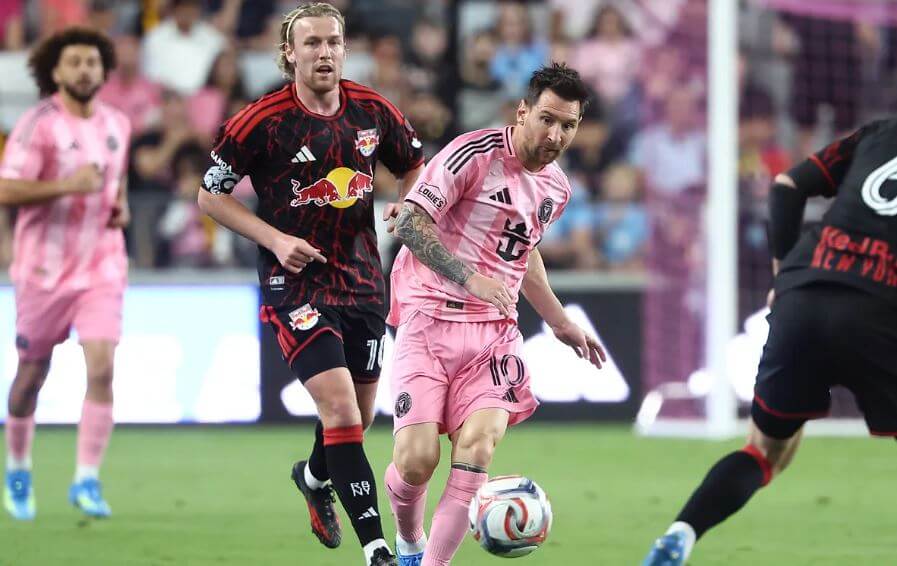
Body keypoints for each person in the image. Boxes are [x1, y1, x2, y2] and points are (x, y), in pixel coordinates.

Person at [197, 4, 424, 566]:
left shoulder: (373, 110)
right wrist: (274, 239)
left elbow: (414, 165)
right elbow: (210, 195)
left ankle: (314, 477)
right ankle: (377, 549)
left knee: (359, 418)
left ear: (345, 49)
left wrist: (408, 204)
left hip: (363, 282)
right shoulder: (261, 121)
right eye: (312, 43)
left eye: (333, 42)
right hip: (294, 285)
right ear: (289, 53)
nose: (325, 53)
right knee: (342, 412)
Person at [643, 119, 897, 565]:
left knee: (764, 451)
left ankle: (680, 533)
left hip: (803, 294)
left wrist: (783, 274)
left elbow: (785, 186)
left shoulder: (879, 132)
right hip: (876, 307)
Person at [384, 63, 606, 566]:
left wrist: (559, 321)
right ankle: (409, 541)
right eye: (547, 119)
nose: (555, 135)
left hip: (493, 336)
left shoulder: (556, 189)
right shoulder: (472, 154)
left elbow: (522, 254)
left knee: (477, 449)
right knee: (416, 461)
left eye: (568, 125)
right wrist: (472, 279)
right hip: (429, 318)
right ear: (522, 112)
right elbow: (410, 224)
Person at [0, 27, 131, 520]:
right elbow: (6, 189)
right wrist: (67, 186)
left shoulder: (118, 123)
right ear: (55, 71)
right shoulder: (38, 125)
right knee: (31, 377)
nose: (83, 70)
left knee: (102, 367)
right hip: (44, 270)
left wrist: (120, 207)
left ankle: (87, 479)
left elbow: (114, 183)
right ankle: (18, 466)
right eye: (74, 61)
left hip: (102, 264)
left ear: (103, 70)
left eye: (92, 62)